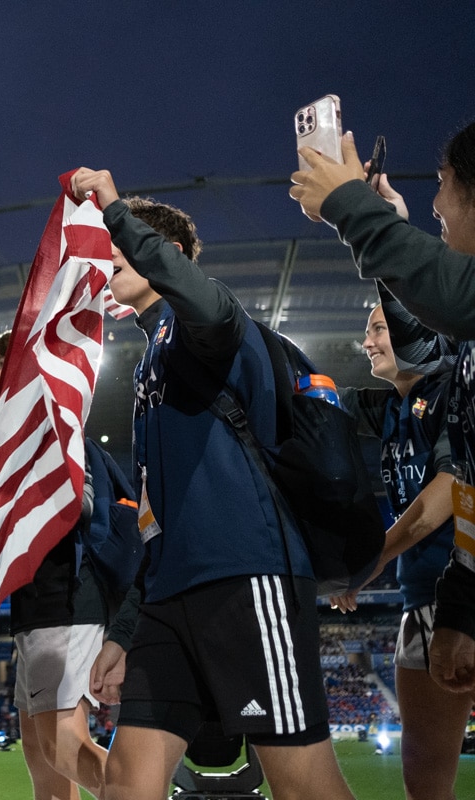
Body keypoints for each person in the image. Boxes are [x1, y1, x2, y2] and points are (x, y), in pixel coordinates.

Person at [71, 168, 355, 800]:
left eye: (118, 246)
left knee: (303, 783)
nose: (104, 257)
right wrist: (125, 631)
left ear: (166, 254)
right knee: (127, 779)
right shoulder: (149, 360)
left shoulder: (212, 324)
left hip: (245, 578)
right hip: (169, 597)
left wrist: (115, 210)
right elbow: (158, 519)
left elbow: (205, 303)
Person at [290, 122, 475, 696]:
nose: (435, 202)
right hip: (436, 592)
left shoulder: (446, 378)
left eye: (443, 182)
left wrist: (351, 205)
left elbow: (443, 303)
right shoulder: (433, 377)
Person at [329, 299, 472, 799]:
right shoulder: (392, 406)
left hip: (460, 594)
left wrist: (375, 558)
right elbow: (309, 397)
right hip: (422, 600)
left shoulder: (455, 391)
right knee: (424, 781)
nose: (366, 342)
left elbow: (451, 489)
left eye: (379, 329)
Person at [0, 330, 110, 800]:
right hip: (34, 611)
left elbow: (81, 505)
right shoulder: (13, 439)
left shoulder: (54, 426)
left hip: (65, 604)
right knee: (42, 760)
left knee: (64, 747)